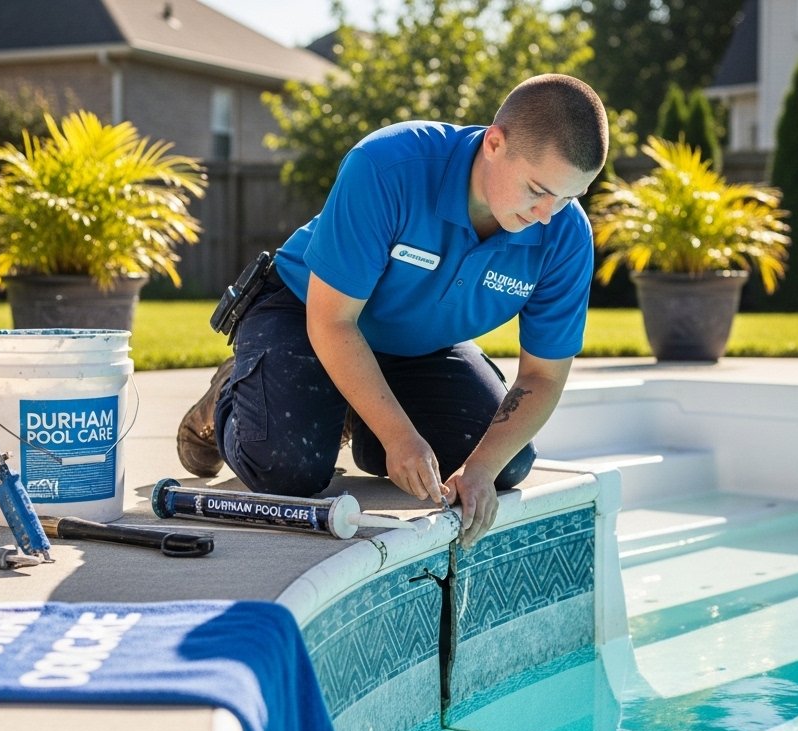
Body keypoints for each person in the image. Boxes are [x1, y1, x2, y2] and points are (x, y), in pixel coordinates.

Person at [177, 73, 608, 548]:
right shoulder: (387, 165)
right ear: (495, 143)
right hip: (305, 312)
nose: (548, 214)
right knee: (289, 469)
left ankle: (355, 418)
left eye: (569, 197)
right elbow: (333, 320)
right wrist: (399, 437)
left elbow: (543, 377)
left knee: (509, 463)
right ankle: (230, 394)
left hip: (414, 345)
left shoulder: (565, 234)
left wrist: (481, 468)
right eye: (537, 189)